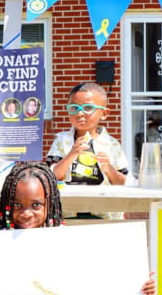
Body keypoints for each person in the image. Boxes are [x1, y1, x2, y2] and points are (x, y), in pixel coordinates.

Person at [0, 162, 155, 295]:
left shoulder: (68, 242)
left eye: (36, 205)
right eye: (17, 205)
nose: (26, 213)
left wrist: (137, 281)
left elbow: (100, 277)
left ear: (50, 204)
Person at [46, 83, 129, 219]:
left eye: (88, 108)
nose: (79, 113)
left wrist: (108, 168)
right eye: (74, 108)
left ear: (104, 113)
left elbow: (122, 182)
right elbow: (52, 176)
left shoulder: (111, 144)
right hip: (67, 213)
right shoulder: (61, 140)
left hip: (104, 215)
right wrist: (71, 155)